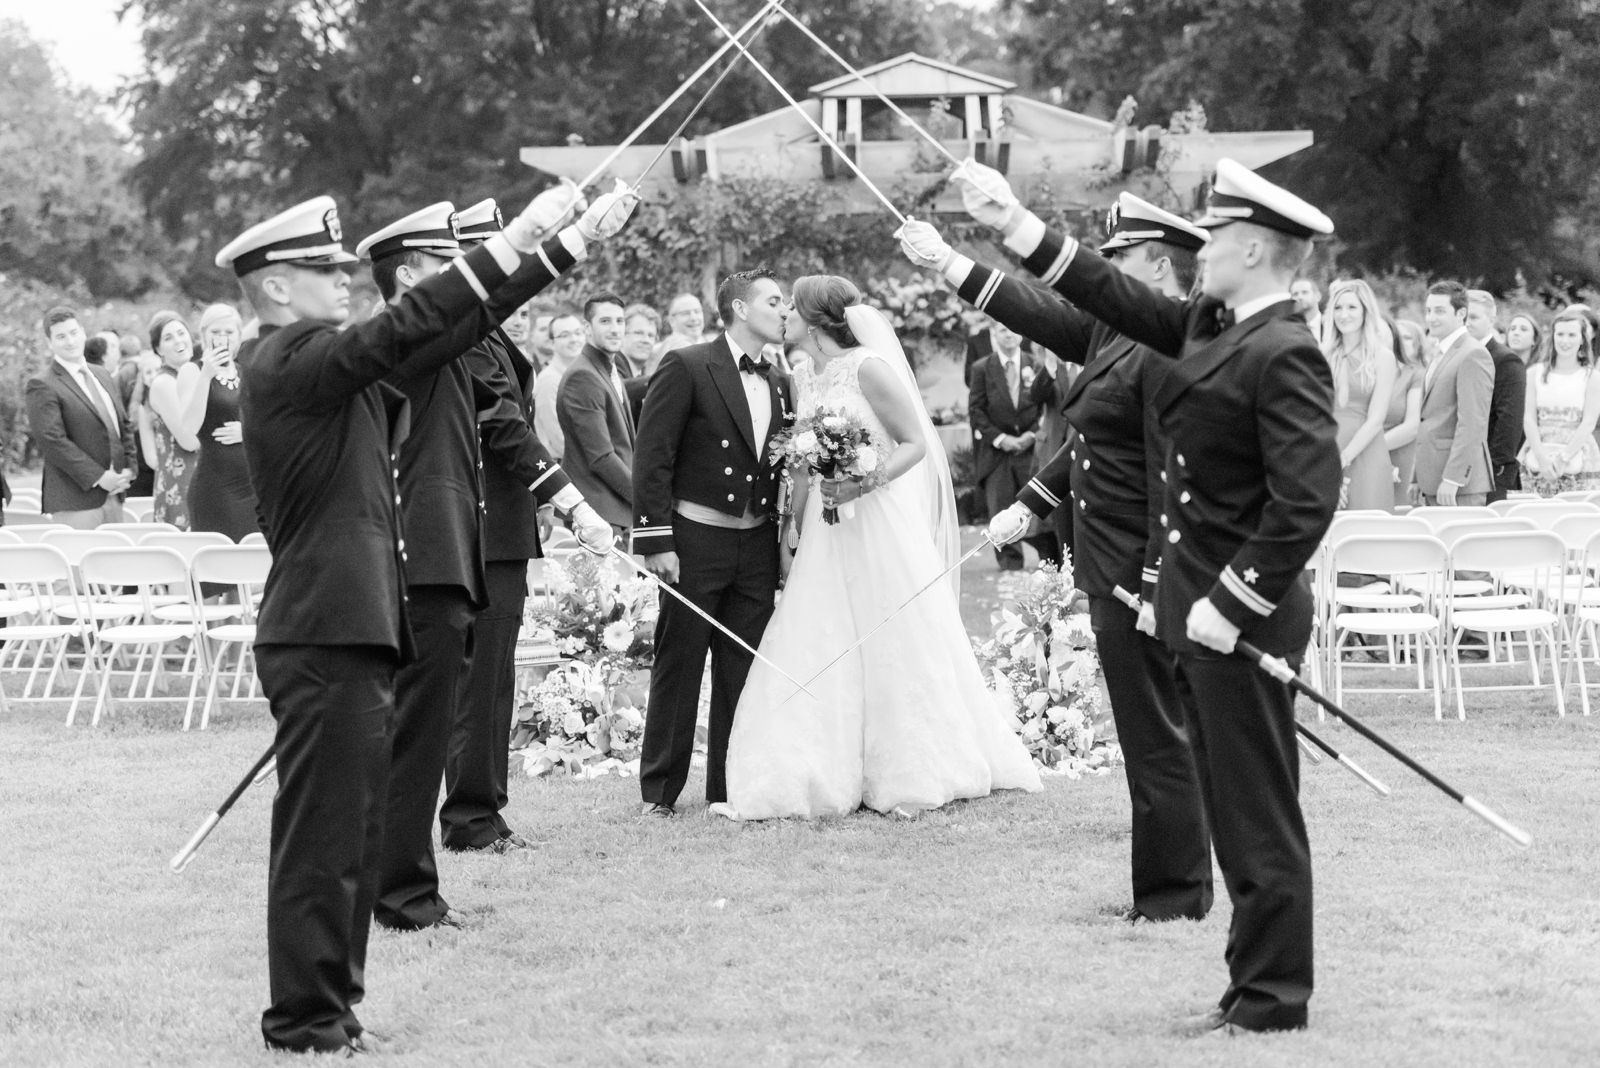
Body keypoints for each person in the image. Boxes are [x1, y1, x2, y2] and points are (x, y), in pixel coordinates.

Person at [224, 183, 633, 1055]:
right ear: (272, 289)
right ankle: (305, 1021)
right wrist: (513, 235)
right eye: (321, 269)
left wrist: (556, 251)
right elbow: (401, 328)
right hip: (322, 631)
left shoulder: (329, 370)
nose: (344, 280)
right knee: (323, 841)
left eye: (343, 268)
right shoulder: (285, 363)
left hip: (354, 627)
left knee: (351, 831)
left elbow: (449, 330)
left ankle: (329, 1012)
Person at [949, 156, 1339, 1033]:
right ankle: (1250, 986)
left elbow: (1307, 499)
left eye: (1218, 238)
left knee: (1256, 810)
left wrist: (1232, 600)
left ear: (1250, 248)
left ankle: (1274, 998)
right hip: (1199, 607)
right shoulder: (1214, 327)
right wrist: (1013, 224)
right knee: (1233, 809)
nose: (1202, 252)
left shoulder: (1283, 348)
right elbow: (1113, 301)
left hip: (1242, 612)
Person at [899, 191, 1216, 923]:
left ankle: (1174, 898)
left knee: (1158, 734)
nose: (1103, 275)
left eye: (1120, 261)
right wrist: (948, 263)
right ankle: (1172, 886)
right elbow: (1046, 323)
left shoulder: (1169, 341)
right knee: (1149, 735)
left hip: (1140, 567)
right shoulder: (1119, 332)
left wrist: (1151, 580)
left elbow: (1173, 467)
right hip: (1109, 559)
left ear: (1160, 265)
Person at [357, 201, 614, 932]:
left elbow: (499, 294)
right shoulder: (407, 340)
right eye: (443, 263)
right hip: (425, 548)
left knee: (431, 721)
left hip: (453, 542)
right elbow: (494, 389)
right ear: (411, 275)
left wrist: (571, 239)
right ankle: (407, 885)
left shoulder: (440, 331)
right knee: (418, 728)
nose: (457, 274)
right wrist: (542, 238)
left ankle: (409, 886)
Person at [718, 276, 1041, 819]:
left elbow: (917, 443)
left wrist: (863, 482)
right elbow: (802, 464)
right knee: (817, 631)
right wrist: (790, 532)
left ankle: (914, 767)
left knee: (893, 630)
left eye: (792, 307)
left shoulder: (869, 368)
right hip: (825, 526)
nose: (784, 316)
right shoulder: (801, 375)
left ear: (818, 320)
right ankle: (812, 767)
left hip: (878, 519)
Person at [437, 198, 607, 854]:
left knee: (493, 675)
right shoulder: (473, 335)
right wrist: (570, 502)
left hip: (501, 526)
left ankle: (485, 808)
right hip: (483, 527)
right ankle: (471, 817)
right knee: (482, 679)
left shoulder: (490, 331)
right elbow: (503, 426)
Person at [631, 269, 792, 817]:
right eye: (775, 301)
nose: (786, 309)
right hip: (695, 539)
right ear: (742, 309)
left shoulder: (778, 379)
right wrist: (656, 539)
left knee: (740, 667)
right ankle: (660, 791)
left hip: (756, 542)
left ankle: (727, 787)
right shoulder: (688, 364)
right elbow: (652, 454)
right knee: (681, 661)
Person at [25, 306, 132, 527]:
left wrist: (130, 469)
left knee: (116, 561)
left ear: (83, 332)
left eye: (74, 333)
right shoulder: (42, 384)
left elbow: (123, 424)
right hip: (76, 499)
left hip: (116, 493)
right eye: (61, 336)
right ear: (50, 342)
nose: (70, 341)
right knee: (81, 561)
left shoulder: (102, 374)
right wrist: (99, 477)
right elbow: (52, 441)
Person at [557, 293, 636, 542]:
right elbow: (601, 457)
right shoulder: (583, 376)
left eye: (620, 321)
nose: (615, 329)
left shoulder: (606, 370)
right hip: (598, 517)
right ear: (586, 327)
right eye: (605, 321)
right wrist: (644, 500)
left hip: (614, 513)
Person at [177, 303, 259, 540]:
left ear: (239, 336)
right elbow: (189, 428)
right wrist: (206, 376)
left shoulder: (248, 372)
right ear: (203, 336)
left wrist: (247, 430)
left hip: (253, 484)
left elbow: (270, 423)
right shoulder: (192, 371)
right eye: (215, 332)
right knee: (221, 569)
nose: (222, 338)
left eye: (229, 332)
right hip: (217, 486)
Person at [968, 317, 1043, 570]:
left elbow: (1048, 407)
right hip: (997, 452)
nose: (1009, 334)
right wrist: (1001, 439)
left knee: (1040, 506)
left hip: (1032, 449)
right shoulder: (981, 368)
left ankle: (1049, 561)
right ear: (994, 334)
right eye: (1002, 330)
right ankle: (1010, 564)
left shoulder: (1037, 365)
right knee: (1000, 506)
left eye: (1013, 329)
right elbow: (976, 410)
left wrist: (1031, 435)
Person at [1412, 281, 1494, 506]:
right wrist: (1417, 477)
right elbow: (1428, 419)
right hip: (1432, 478)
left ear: (1461, 313)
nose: (1431, 318)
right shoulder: (1439, 352)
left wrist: (1453, 478)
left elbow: (1472, 422)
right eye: (1428, 311)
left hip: (1458, 484)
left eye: (1439, 311)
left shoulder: (1473, 354)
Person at [1320, 279, 1397, 511]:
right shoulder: (1320, 356)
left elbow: (1376, 419)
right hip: (1326, 451)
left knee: (1367, 529)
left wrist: (1343, 460)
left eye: (1352, 307)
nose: (1344, 315)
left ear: (1366, 311)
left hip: (1366, 453)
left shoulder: (1382, 358)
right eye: (1338, 307)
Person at [1520, 309, 1600, 495]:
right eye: (1560, 334)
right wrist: (1541, 457)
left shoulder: (1592, 377)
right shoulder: (1534, 373)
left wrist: (1563, 459)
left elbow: (1589, 422)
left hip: (1579, 454)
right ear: (1553, 337)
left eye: (1572, 335)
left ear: (1582, 339)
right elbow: (1529, 418)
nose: (1565, 341)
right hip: (1538, 453)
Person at [1467, 290, 1527, 503]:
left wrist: (1493, 468)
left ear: (1491, 320)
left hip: (1489, 472)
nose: (1467, 323)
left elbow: (1509, 420)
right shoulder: (1454, 356)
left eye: (1473, 317)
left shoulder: (1506, 360)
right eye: (1463, 316)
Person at [144, 311, 201, 529]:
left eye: (181, 333)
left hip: (203, 477)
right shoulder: (164, 383)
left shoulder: (195, 374)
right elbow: (189, 440)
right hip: (180, 480)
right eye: (168, 338)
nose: (178, 340)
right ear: (159, 350)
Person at [1384, 320, 1427, 508]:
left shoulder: (1418, 374)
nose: (1401, 341)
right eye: (1397, 337)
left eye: (1408, 337)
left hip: (1402, 453)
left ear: (1418, 345)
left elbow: (1412, 426)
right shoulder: (1383, 372)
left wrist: (1372, 450)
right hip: (1371, 453)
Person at [532, 310, 584, 459]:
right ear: (552, 343)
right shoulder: (549, 380)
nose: (574, 339)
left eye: (578, 333)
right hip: (566, 466)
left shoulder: (582, 376)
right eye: (565, 335)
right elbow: (558, 439)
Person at [654, 291, 707, 362]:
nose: (693, 318)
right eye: (686, 313)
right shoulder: (673, 348)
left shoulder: (711, 345)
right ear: (672, 321)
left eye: (697, 311)